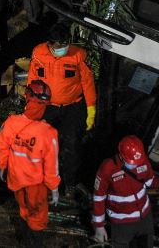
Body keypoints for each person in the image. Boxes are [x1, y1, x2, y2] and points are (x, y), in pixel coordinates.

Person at [27, 23, 95, 197]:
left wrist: (91, 108)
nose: (63, 49)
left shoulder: (78, 55)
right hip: (48, 107)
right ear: (50, 44)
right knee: (43, 144)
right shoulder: (38, 53)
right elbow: (33, 78)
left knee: (72, 145)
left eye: (66, 45)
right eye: (59, 46)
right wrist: (31, 105)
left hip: (73, 107)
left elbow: (87, 82)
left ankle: (70, 183)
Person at [92, 135, 159, 246]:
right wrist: (99, 227)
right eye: (132, 162)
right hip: (122, 224)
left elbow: (152, 181)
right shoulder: (107, 168)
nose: (136, 165)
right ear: (121, 156)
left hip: (145, 218)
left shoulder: (142, 160)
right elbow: (98, 198)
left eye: (138, 161)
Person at [0, 80, 60, 247]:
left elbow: (1, 146)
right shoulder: (48, 133)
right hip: (35, 185)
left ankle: (25, 243)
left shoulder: (11, 122)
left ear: (27, 97)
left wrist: (2, 166)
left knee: (23, 211)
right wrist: (54, 188)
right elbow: (51, 166)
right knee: (37, 218)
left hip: (16, 179)